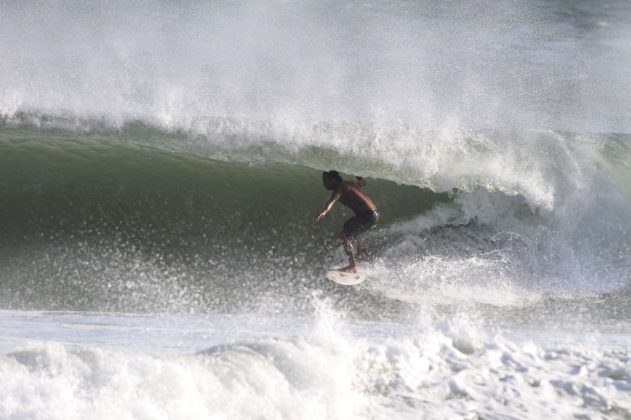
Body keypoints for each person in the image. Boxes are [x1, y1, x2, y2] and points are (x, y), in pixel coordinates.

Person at [315, 170, 379, 272]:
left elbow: (332, 201)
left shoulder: (339, 189)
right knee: (351, 229)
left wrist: (324, 212)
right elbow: (363, 183)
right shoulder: (350, 183)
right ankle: (361, 254)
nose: (324, 183)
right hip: (373, 214)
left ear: (333, 180)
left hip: (367, 216)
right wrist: (356, 172)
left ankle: (352, 266)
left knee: (345, 235)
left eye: (325, 180)